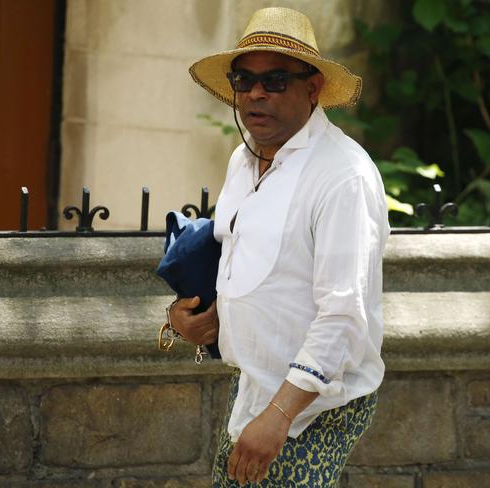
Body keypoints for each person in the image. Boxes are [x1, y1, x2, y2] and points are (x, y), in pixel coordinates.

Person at [168, 7, 390, 487]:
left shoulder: (342, 177)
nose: (255, 93)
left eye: (276, 80)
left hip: (312, 403)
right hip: (254, 386)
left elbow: (343, 315)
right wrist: (192, 319)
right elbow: (246, 267)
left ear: (312, 89)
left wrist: (278, 416)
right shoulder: (243, 159)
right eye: (244, 79)